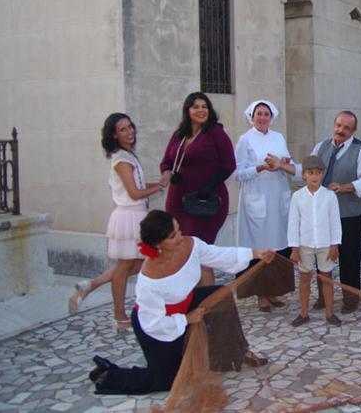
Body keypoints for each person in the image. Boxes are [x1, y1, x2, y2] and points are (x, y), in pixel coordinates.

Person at [88, 210, 274, 395]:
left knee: (220, 295)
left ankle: (236, 351)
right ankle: (109, 373)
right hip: (156, 324)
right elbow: (152, 321)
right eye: (172, 236)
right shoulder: (150, 276)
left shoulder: (190, 244)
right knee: (166, 380)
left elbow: (216, 254)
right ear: (158, 244)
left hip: (186, 304)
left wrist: (254, 253)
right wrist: (186, 319)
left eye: (178, 230)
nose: (180, 237)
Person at [69, 114, 171, 333]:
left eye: (130, 127)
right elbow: (135, 193)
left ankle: (91, 285)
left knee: (135, 264)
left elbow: (138, 185)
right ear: (114, 135)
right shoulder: (122, 160)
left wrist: (160, 182)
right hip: (129, 217)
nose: (130, 131)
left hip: (135, 215)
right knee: (126, 267)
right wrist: (162, 185)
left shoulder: (127, 155)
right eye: (123, 129)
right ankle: (119, 317)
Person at [160, 92, 235, 286]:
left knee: (200, 252)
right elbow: (166, 162)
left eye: (204, 106)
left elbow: (229, 165)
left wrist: (208, 187)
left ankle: (206, 304)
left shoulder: (216, 133)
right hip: (178, 200)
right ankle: (189, 297)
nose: (201, 110)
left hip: (206, 200)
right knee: (182, 249)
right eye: (196, 107)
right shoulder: (179, 135)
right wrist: (168, 174)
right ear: (188, 110)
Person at [233, 100, 296, 311]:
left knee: (278, 245)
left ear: (271, 117)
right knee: (259, 246)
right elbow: (238, 173)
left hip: (277, 196)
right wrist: (259, 167)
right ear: (252, 116)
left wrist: (283, 162)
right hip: (256, 198)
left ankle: (274, 290)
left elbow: (287, 163)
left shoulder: (278, 137)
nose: (262, 117)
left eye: (266, 114)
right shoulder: (245, 140)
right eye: (258, 113)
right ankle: (260, 293)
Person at [311, 111, 361, 314]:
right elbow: (308, 169)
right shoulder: (321, 146)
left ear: (353, 131)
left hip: (349, 214)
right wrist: (283, 166)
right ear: (334, 125)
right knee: (322, 256)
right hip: (322, 212)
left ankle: (351, 298)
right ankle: (323, 295)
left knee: (350, 257)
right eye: (339, 125)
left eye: (346, 128)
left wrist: (344, 187)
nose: (341, 130)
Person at [288, 155, 343, 327]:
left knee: (327, 277)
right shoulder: (297, 197)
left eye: (318, 173)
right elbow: (293, 223)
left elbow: (335, 221)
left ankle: (329, 313)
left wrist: (335, 245)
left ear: (322, 175)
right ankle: (304, 313)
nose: (314, 177)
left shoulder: (329, 196)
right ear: (304, 175)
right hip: (305, 244)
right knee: (304, 278)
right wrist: (294, 248)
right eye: (310, 173)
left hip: (325, 244)